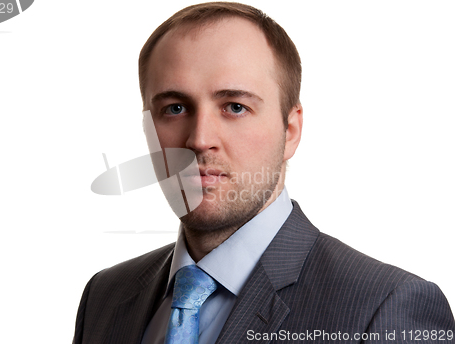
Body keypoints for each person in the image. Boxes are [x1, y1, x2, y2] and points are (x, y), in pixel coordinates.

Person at [73, 2, 455, 343]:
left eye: (235, 106)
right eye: (174, 108)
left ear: (290, 131)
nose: (200, 139)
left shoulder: (388, 309)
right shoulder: (105, 296)